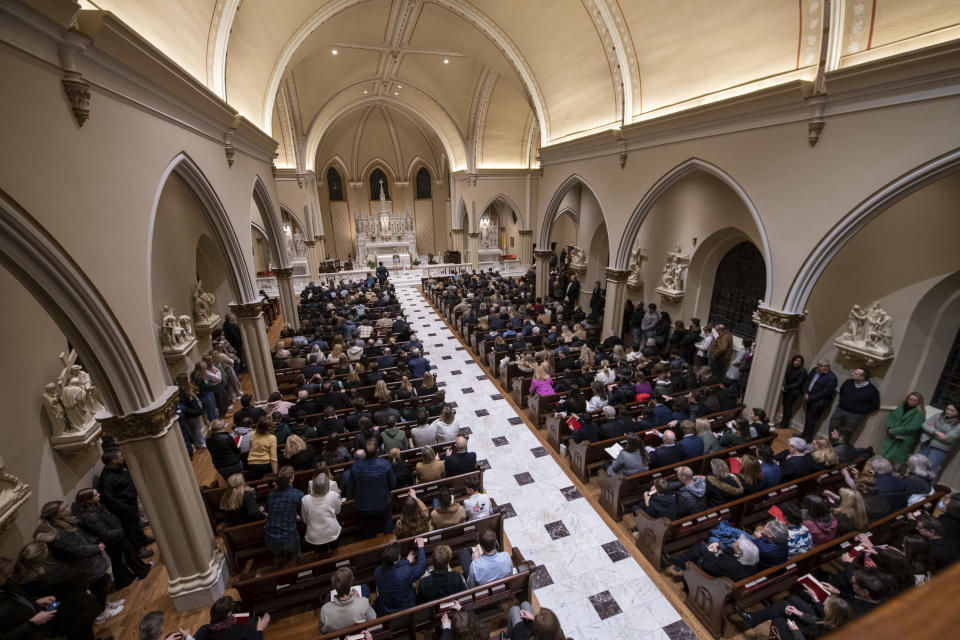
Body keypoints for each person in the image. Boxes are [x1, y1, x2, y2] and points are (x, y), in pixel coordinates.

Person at [32, 501, 117, 623]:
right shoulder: (59, 535)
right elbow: (78, 549)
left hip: (85, 561)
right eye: (63, 509)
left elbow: (80, 539)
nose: (67, 509)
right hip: (81, 564)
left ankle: (103, 605)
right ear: (54, 515)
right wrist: (96, 548)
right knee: (100, 584)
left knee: (99, 585)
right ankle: (100, 612)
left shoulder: (63, 522)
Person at [72, 488, 152, 590]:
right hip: (112, 539)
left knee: (123, 556)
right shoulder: (91, 517)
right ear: (88, 500)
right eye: (96, 494)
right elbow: (105, 533)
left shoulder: (96, 507)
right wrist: (121, 530)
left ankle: (131, 576)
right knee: (122, 557)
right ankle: (130, 577)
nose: (99, 495)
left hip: (116, 537)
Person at [96, 449, 152, 557]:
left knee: (136, 524)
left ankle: (142, 539)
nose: (122, 457)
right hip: (124, 509)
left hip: (131, 503)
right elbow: (108, 499)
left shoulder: (120, 468)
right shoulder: (106, 479)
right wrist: (125, 507)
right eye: (120, 456)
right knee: (130, 530)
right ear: (114, 461)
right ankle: (137, 549)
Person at [736, 594, 854, 640]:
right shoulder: (835, 621)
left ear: (831, 612)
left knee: (779, 620)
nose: (822, 604)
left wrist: (795, 631)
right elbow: (818, 620)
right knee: (784, 608)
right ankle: (752, 619)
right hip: (807, 631)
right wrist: (799, 613)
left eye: (826, 605)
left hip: (801, 636)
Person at [346, 438, 397, 537]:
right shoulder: (385, 464)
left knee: (368, 525)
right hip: (383, 502)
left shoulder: (356, 467)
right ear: (378, 451)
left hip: (364, 506)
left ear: (365, 452)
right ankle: (389, 542)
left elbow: (351, 489)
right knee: (387, 520)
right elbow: (393, 484)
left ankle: (371, 542)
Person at [666, 534, 759, 581]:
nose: (734, 541)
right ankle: (679, 561)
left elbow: (708, 565)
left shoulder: (730, 564)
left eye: (736, 542)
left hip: (711, 577)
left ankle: (677, 562)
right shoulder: (750, 561)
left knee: (701, 547)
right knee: (707, 546)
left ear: (739, 551)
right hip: (720, 570)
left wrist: (709, 552)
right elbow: (729, 552)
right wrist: (717, 546)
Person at [373, 538, 426, 615]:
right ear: (396, 561)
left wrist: (407, 561)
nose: (400, 555)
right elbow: (421, 567)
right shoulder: (405, 572)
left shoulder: (377, 571)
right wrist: (421, 547)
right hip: (406, 608)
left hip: (386, 608)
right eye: (399, 555)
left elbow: (393, 567)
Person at [264, 466, 304, 562]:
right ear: (291, 479)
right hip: (289, 537)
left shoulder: (271, 494)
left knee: (280, 560)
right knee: (295, 560)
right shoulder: (298, 494)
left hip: (271, 538)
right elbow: (302, 514)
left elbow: (270, 511)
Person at [319, 567, 376, 633]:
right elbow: (373, 619)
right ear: (351, 584)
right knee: (365, 588)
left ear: (334, 586)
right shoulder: (363, 602)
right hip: (360, 634)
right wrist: (357, 600)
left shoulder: (324, 610)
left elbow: (322, 630)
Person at [829, 368, 881, 433]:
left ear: (862, 377)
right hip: (839, 411)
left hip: (855, 416)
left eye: (855, 373)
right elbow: (842, 392)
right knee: (832, 429)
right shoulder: (848, 382)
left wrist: (861, 411)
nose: (852, 374)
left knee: (845, 434)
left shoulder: (872, 390)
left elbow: (875, 405)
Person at [881, 391, 926, 467]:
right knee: (886, 456)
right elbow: (892, 417)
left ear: (919, 402)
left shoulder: (920, 413)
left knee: (898, 460)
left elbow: (911, 427)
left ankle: (894, 475)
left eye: (915, 400)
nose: (911, 402)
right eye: (910, 399)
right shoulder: (901, 407)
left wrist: (894, 431)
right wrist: (889, 427)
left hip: (904, 438)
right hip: (892, 436)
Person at [194, 596, 269, 640]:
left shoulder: (202, 630)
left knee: (246, 618)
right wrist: (260, 629)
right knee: (253, 621)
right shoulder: (238, 630)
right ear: (229, 614)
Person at [301, 471, 341, 554]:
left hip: (314, 535)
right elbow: (338, 512)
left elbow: (304, 520)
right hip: (332, 532)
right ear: (327, 486)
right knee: (334, 549)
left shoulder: (305, 499)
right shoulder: (334, 495)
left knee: (321, 554)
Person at [917, 402, 960, 478]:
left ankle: (925, 488)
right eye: (947, 409)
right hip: (927, 443)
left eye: (952, 411)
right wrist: (935, 431)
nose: (948, 412)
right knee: (918, 466)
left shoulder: (958, 424)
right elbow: (924, 425)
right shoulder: (938, 416)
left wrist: (931, 431)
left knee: (930, 470)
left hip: (939, 449)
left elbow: (948, 438)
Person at [802, 360, 838, 441]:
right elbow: (807, 382)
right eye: (821, 366)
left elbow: (825, 392)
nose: (824, 368)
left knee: (812, 420)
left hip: (819, 402)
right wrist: (805, 393)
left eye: (826, 366)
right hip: (809, 398)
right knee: (808, 418)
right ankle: (804, 434)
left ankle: (807, 437)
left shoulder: (832, 377)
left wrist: (811, 397)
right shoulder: (814, 370)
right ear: (817, 366)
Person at [778, 354, 807, 427]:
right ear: (793, 361)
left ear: (801, 363)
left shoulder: (803, 371)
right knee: (785, 407)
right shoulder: (789, 367)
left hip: (794, 392)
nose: (797, 362)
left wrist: (786, 388)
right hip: (786, 390)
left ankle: (784, 424)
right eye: (796, 360)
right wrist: (784, 386)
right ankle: (782, 422)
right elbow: (785, 378)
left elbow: (798, 384)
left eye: (799, 361)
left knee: (788, 408)